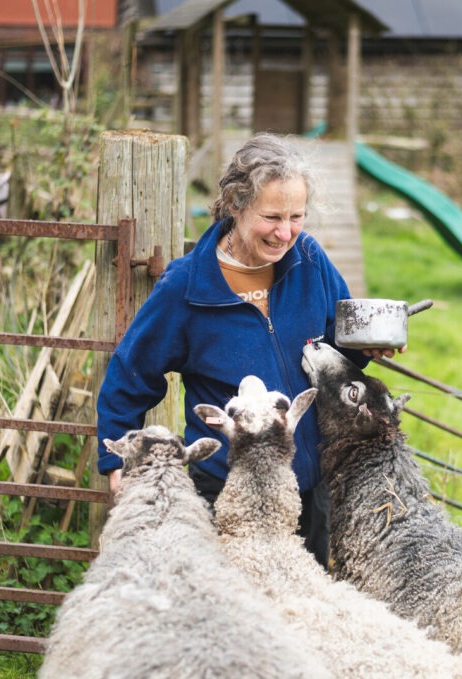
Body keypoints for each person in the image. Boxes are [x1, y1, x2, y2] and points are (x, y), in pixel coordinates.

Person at [96, 133, 401, 566]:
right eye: (272, 216)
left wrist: (365, 349)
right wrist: (116, 466)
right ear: (236, 204)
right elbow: (130, 377)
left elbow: (335, 350)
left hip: (305, 491)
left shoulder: (310, 261)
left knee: (304, 617)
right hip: (227, 496)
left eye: (297, 216)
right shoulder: (186, 288)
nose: (286, 233)